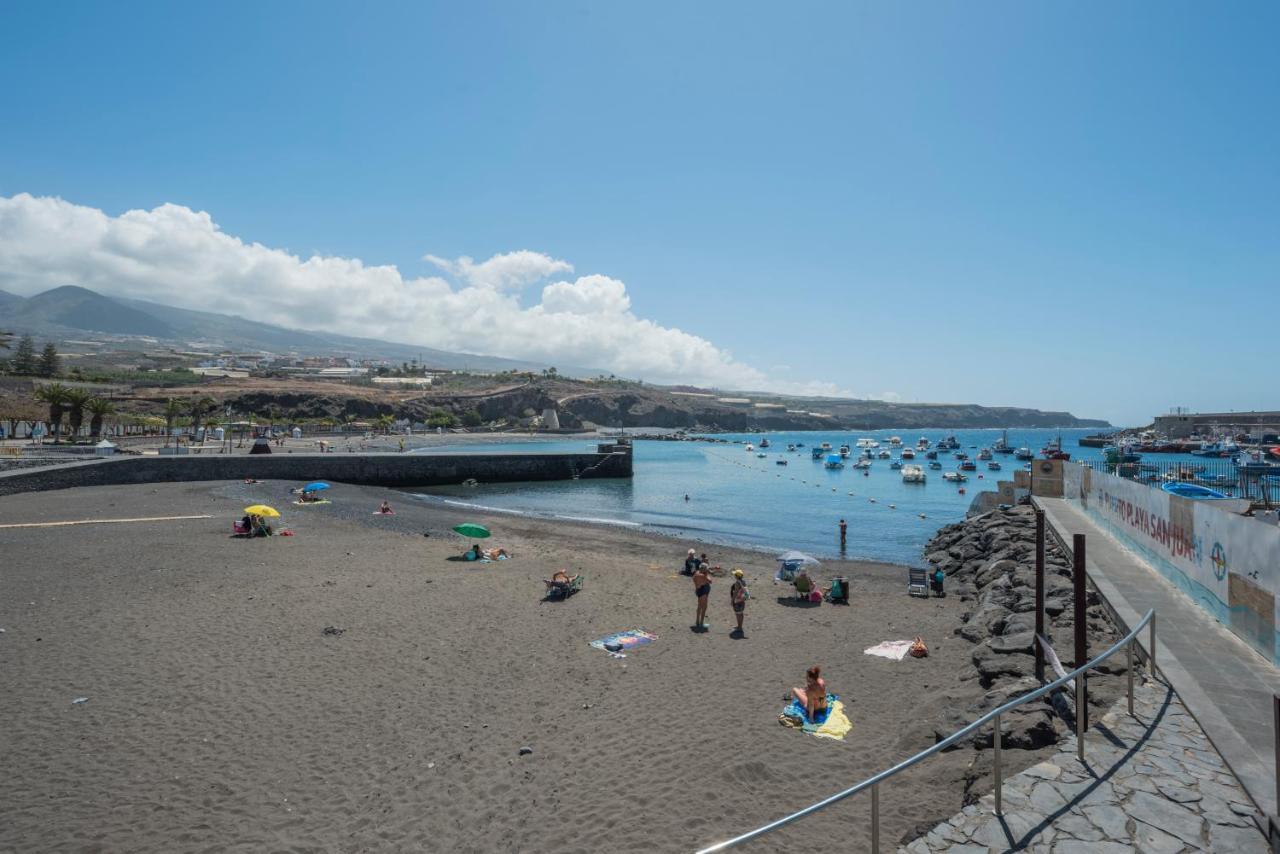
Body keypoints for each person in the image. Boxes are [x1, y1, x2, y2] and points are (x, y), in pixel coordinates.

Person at [692, 562, 711, 631]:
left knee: (699, 606)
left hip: (699, 590)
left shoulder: (696, 573)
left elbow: (694, 579)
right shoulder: (703, 576)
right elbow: (710, 581)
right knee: (704, 607)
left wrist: (697, 586)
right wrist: (707, 574)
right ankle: (701, 623)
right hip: (703, 592)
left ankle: (697, 621)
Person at [730, 569, 747, 635]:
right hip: (742, 600)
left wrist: (732, 600)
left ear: (736, 576)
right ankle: (739, 626)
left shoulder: (737, 583)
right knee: (741, 613)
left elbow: (735, 592)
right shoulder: (743, 581)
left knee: (738, 614)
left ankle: (739, 627)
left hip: (737, 600)